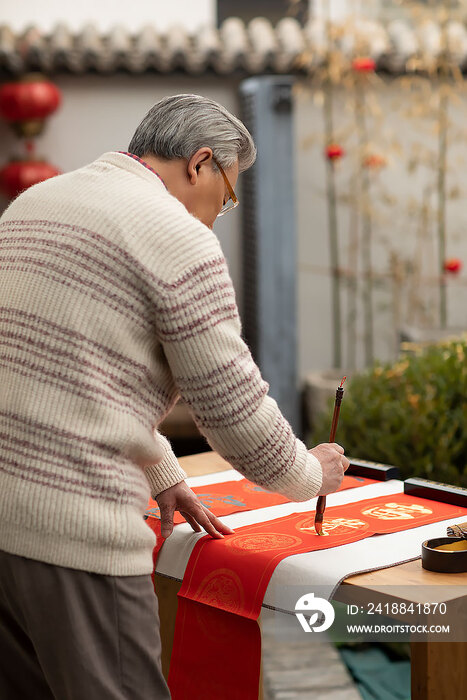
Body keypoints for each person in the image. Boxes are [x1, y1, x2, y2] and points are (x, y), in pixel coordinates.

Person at [0, 94, 349, 699]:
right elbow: (233, 413)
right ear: (201, 164)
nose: (220, 212)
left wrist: (159, 467)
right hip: (74, 532)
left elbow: (59, 371)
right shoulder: (174, 234)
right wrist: (308, 473)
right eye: (228, 194)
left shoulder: (36, 201)